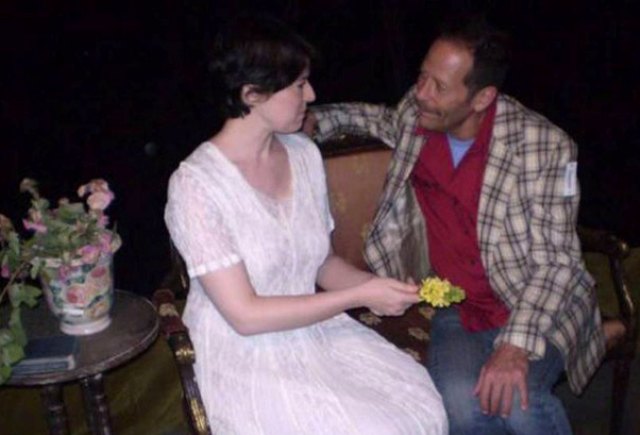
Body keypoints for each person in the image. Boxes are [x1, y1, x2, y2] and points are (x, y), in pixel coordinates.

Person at [306, 16, 607, 435]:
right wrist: (312, 119)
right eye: (422, 76)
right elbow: (374, 118)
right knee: (462, 408)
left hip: (536, 304)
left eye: (439, 86)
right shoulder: (418, 115)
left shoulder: (543, 146)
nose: (421, 93)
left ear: (482, 97)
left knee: (517, 405)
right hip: (458, 306)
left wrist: (514, 346)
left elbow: (556, 264)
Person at [164, 16, 447, 434]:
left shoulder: (303, 154)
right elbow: (245, 315)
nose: (311, 95)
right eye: (299, 85)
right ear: (252, 93)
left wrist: (378, 288)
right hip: (244, 353)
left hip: (311, 331)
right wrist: (358, 296)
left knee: (420, 406)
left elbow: (321, 264)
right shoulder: (196, 185)